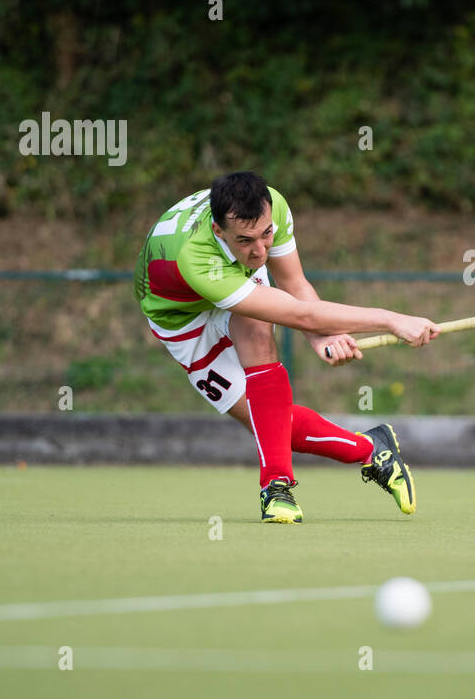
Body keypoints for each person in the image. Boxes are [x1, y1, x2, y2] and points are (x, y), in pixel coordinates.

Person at [133, 170, 440, 523]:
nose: (261, 250)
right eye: (246, 240)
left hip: (231, 275)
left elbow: (295, 284)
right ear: (219, 231)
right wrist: (393, 320)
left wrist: (321, 336)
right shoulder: (196, 257)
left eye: (266, 235)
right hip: (179, 316)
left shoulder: (272, 205)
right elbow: (303, 315)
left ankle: (276, 487)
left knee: (256, 330)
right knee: (267, 423)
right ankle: (373, 450)